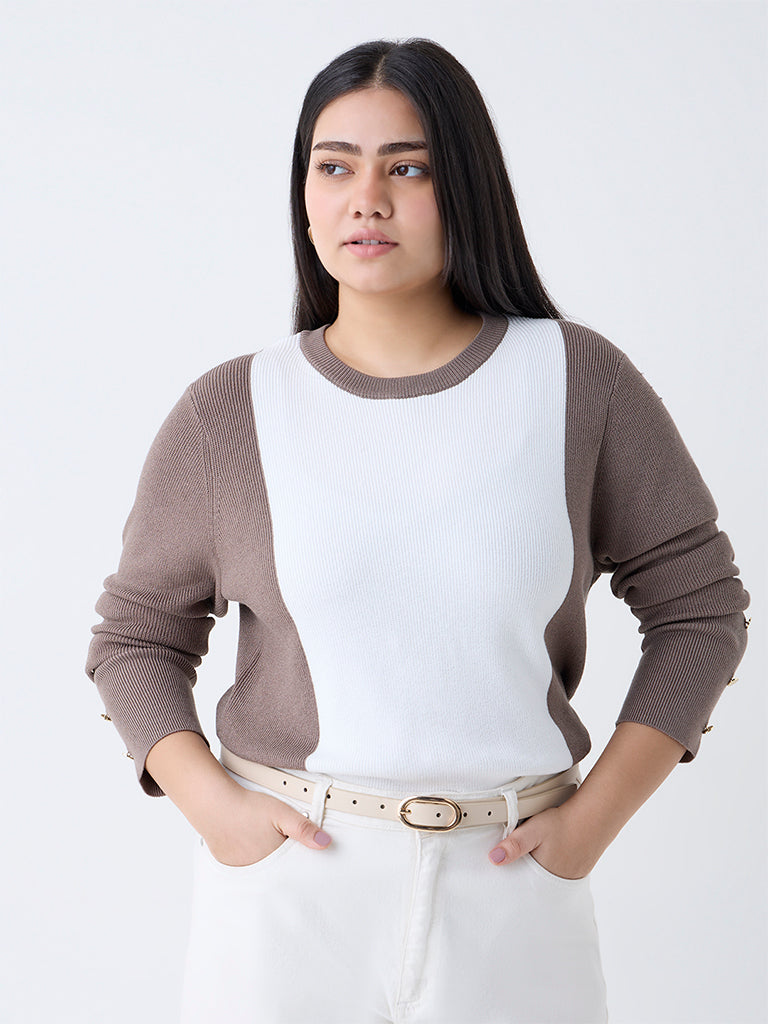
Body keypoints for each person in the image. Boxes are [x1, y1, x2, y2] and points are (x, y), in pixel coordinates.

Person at [86, 37, 750, 1024]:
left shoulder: (577, 382)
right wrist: (216, 812)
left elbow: (700, 609)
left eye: (408, 168)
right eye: (334, 167)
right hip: (289, 897)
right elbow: (137, 638)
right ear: (304, 195)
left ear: (466, 188)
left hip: (513, 889)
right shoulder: (232, 413)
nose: (367, 200)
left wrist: (592, 824)